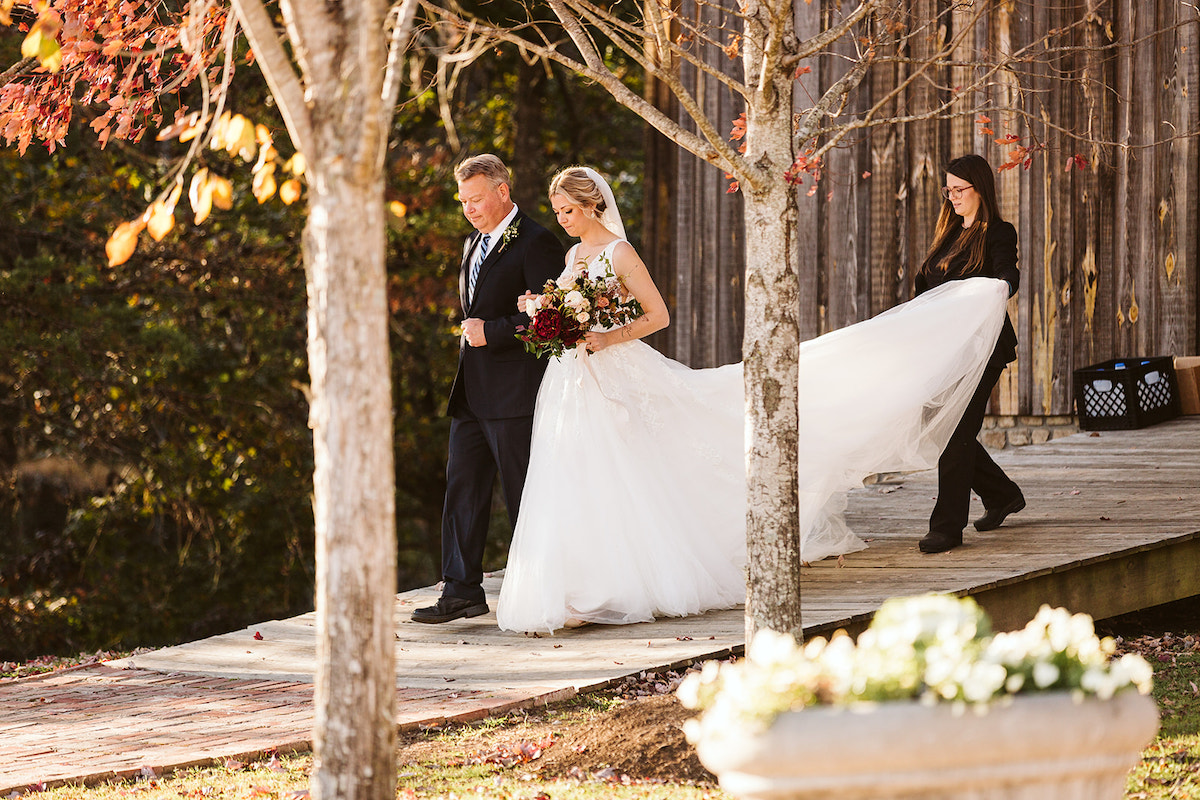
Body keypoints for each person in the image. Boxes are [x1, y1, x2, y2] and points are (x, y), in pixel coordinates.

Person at [496, 166, 1012, 634]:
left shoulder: (620, 253)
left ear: (593, 206)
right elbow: (573, 310)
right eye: (558, 211)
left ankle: (621, 583)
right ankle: (575, 585)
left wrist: (607, 336)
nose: (561, 219)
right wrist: (544, 313)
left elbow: (657, 316)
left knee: (626, 471)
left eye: (568, 209)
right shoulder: (571, 255)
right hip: (572, 380)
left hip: (615, 370)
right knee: (576, 475)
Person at [412, 154, 565, 624]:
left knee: (523, 495)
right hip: (472, 394)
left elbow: (554, 318)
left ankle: (536, 592)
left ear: (503, 191)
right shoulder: (472, 243)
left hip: (516, 394)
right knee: (462, 491)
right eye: (463, 202)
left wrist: (492, 332)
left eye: (476, 199)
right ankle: (461, 591)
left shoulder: (537, 241)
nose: (469, 209)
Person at [915, 154, 1024, 554]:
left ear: (981, 189)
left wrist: (998, 288)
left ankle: (946, 527)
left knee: (957, 433)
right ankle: (1002, 495)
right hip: (945, 349)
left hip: (983, 349)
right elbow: (927, 289)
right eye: (949, 189)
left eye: (960, 189)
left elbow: (1006, 275)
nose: (953, 196)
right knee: (940, 426)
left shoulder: (998, 232)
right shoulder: (948, 235)